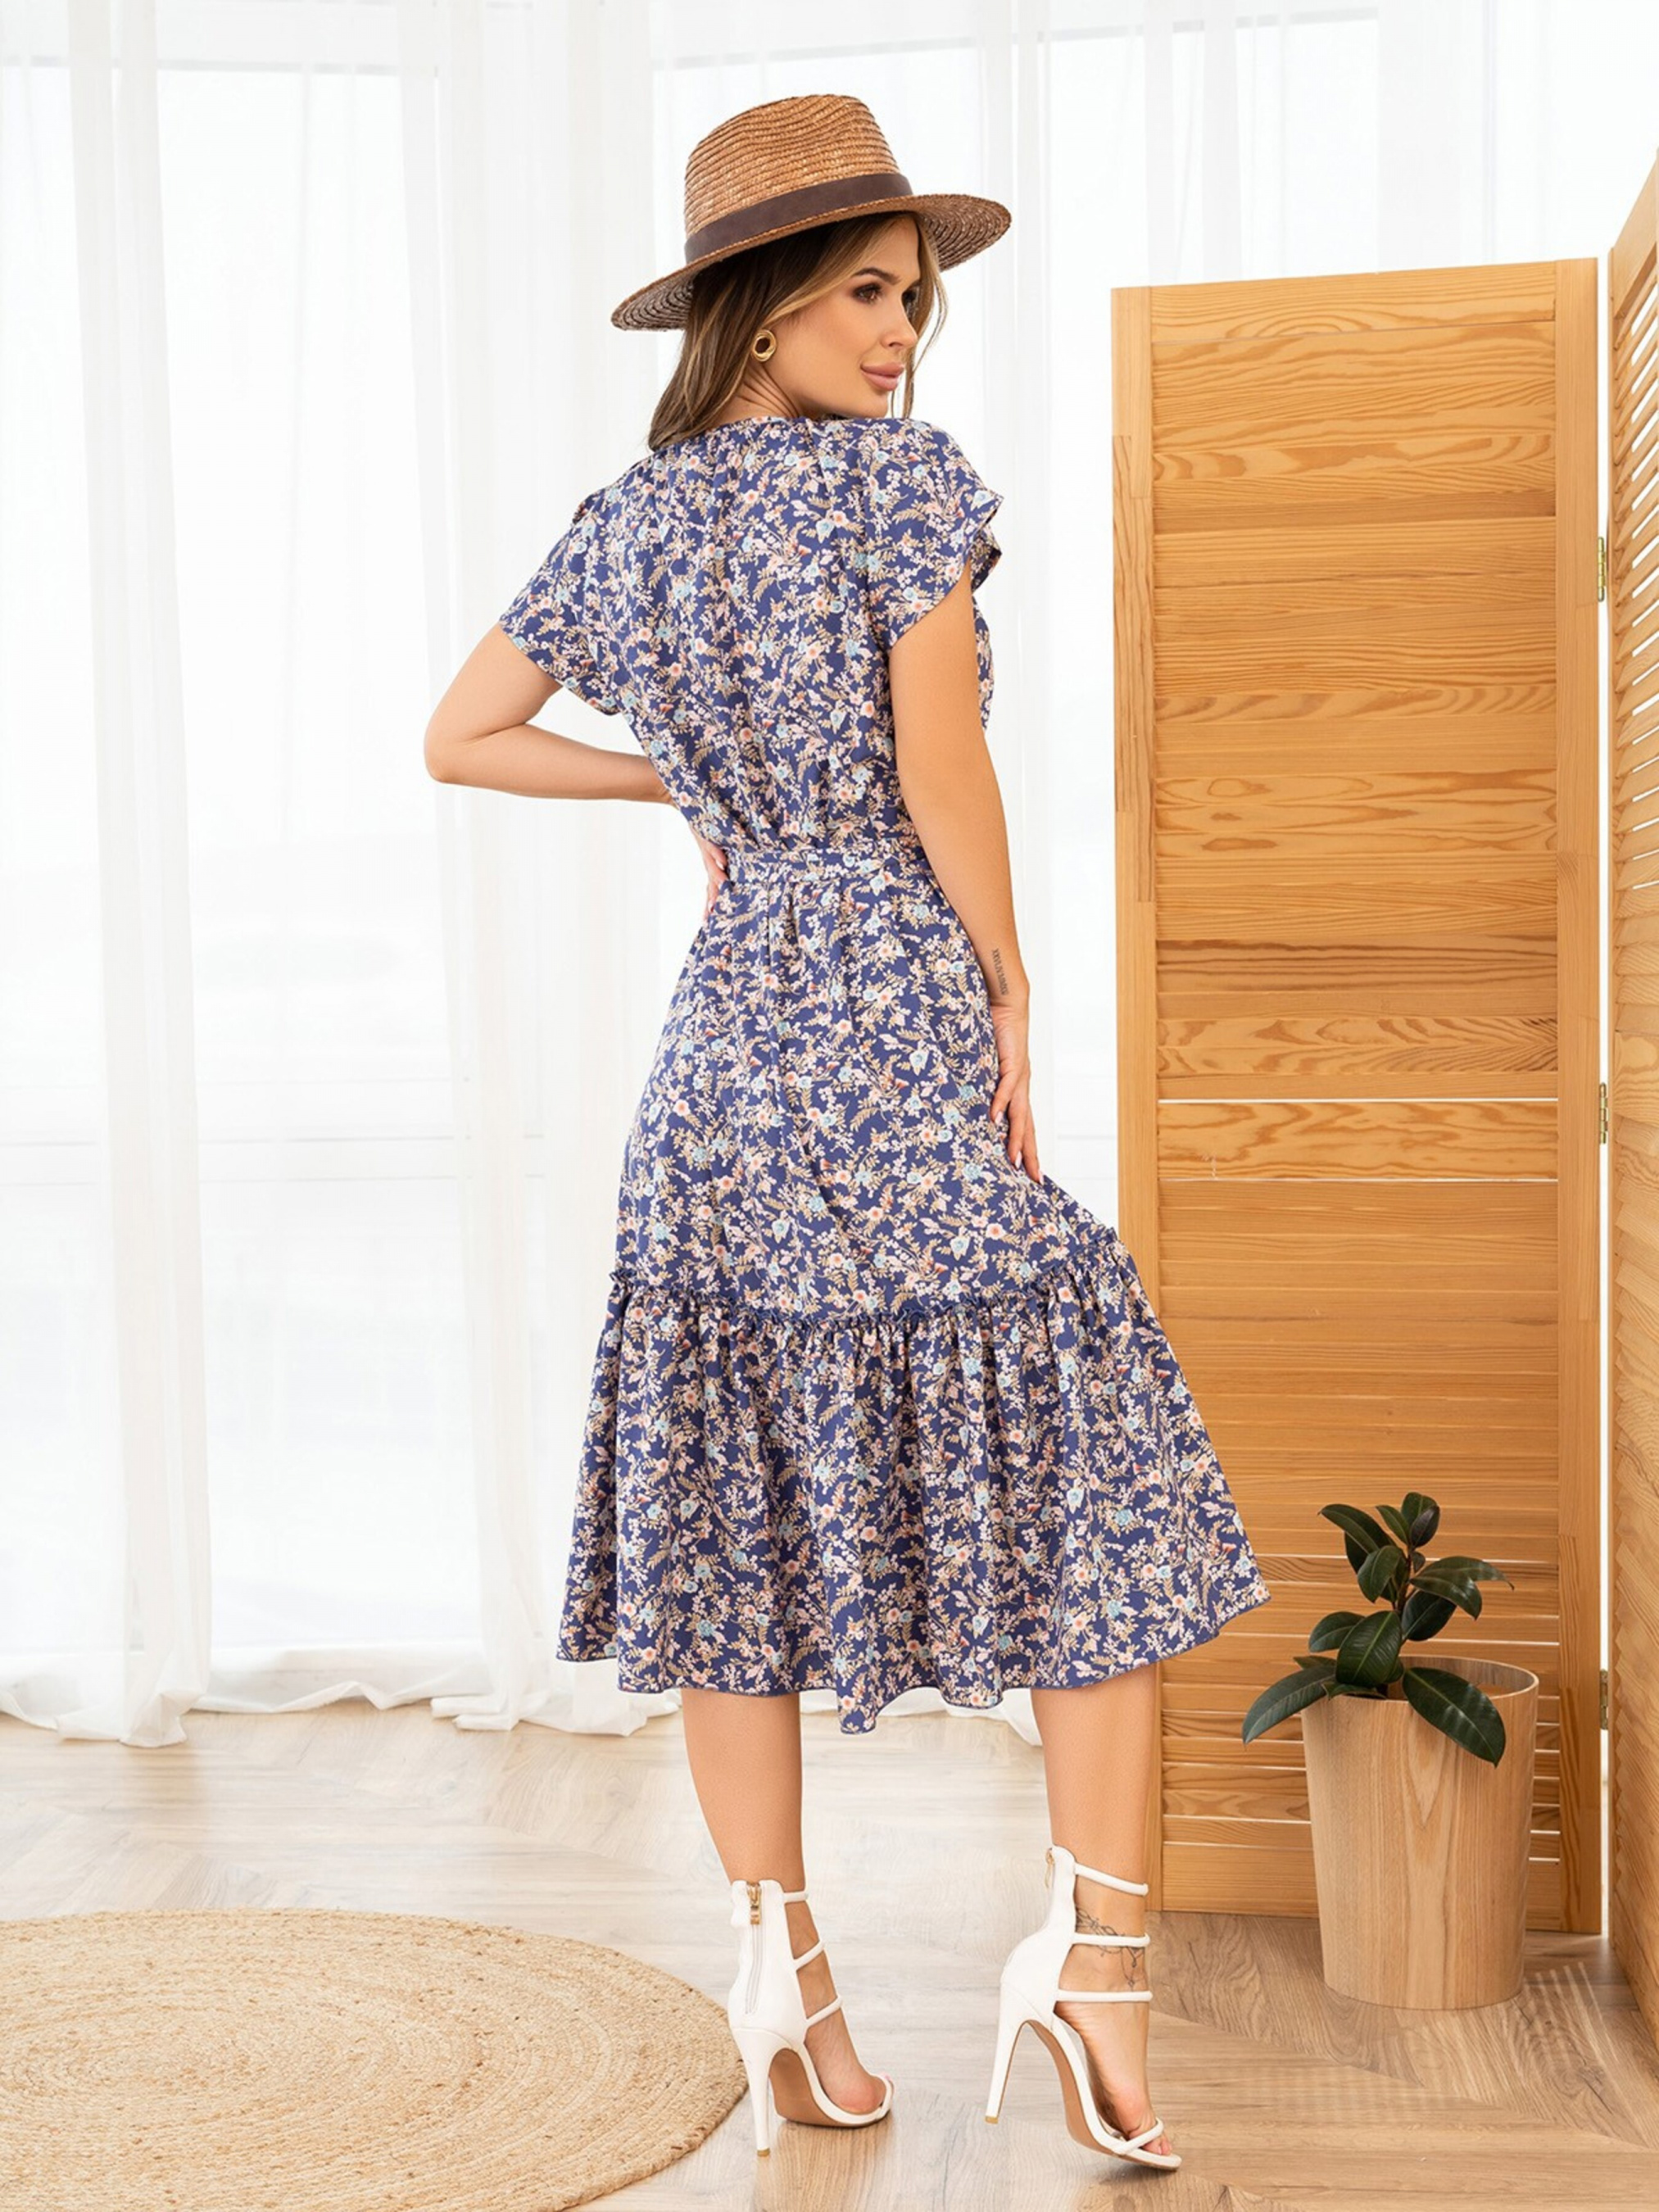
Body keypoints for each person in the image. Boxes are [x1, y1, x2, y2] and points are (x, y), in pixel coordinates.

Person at [425, 92, 1271, 2174]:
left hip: (726, 1048)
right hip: (891, 1000)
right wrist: (1009, 986)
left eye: (912, 303)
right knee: (1083, 1475)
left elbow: (461, 736)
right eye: (871, 293)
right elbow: (939, 765)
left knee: (732, 1498)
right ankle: (1095, 1975)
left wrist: (685, 788)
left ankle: (781, 1971)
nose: (901, 335)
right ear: (764, 301)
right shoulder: (900, 488)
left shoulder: (627, 524)